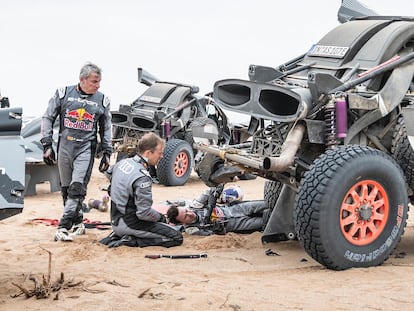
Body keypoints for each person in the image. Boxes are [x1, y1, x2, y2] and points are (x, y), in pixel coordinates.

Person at [40, 62, 112, 242]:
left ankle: (63, 227)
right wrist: (46, 144)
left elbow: (107, 127)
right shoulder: (63, 93)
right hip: (65, 147)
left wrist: (107, 151)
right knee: (66, 190)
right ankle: (78, 223)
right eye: (95, 81)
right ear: (83, 79)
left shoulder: (102, 100)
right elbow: (48, 117)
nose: (98, 85)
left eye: (100, 82)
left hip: (85, 149)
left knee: (77, 189)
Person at [101, 132, 183, 248]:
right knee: (176, 237)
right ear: (149, 153)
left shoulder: (123, 163)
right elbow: (144, 213)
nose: (162, 156)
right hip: (129, 225)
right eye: (160, 153)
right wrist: (161, 218)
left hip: (116, 221)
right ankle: (132, 241)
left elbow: (109, 174)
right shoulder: (142, 177)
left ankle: (118, 236)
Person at [167, 184, 271, 235]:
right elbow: (210, 235)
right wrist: (218, 229)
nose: (189, 213)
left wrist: (211, 203)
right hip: (238, 224)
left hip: (237, 209)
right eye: (185, 217)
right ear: (182, 223)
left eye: (186, 211)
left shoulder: (194, 206)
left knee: (268, 203)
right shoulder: (191, 229)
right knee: (268, 222)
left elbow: (210, 191)